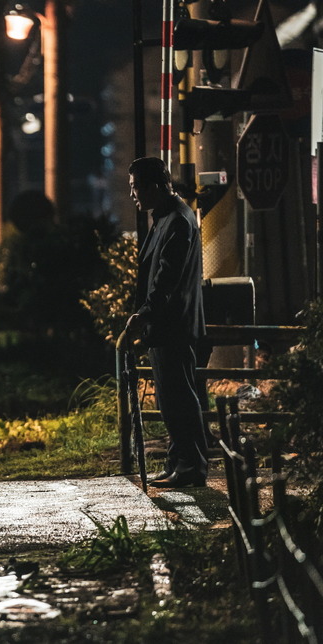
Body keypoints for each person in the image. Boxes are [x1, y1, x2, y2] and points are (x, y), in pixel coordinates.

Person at [125, 157, 207, 488]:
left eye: (136, 188)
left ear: (154, 186)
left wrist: (145, 312)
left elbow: (166, 278)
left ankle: (191, 464)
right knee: (170, 398)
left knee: (180, 397)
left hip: (174, 325)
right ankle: (180, 460)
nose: (133, 195)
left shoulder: (177, 222)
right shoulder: (167, 218)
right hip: (164, 326)